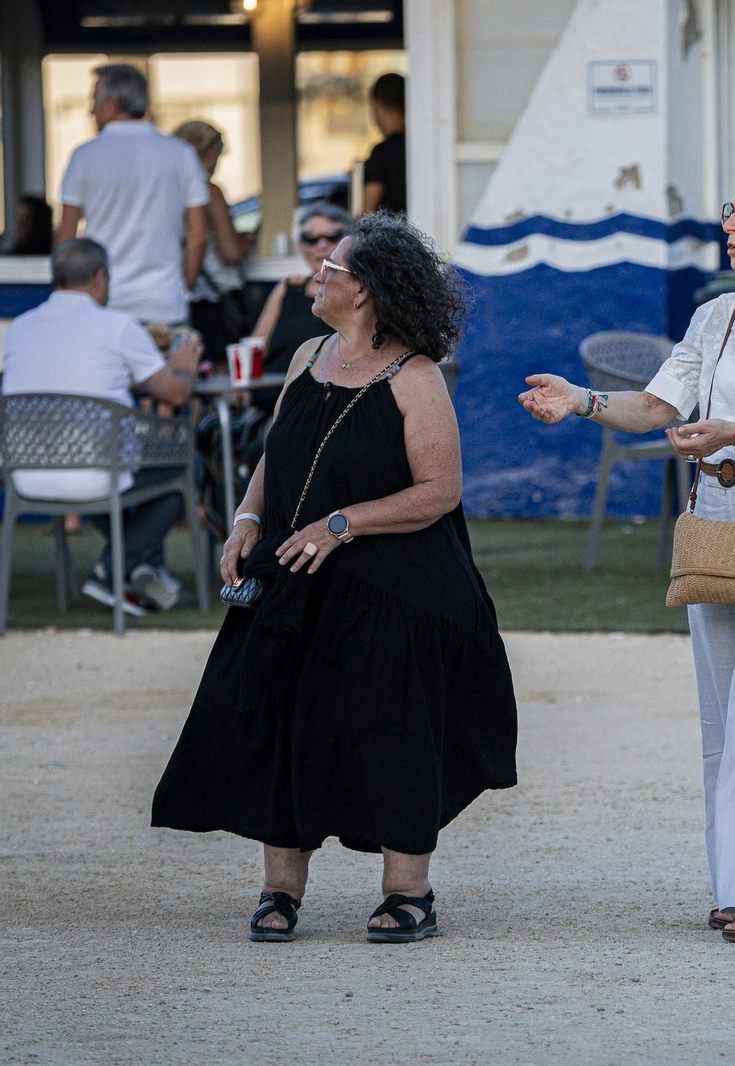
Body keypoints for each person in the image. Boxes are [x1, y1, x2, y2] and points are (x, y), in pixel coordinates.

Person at [520, 160, 735, 944]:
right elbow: (655, 405)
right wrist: (581, 401)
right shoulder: (717, 317)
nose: (730, 225)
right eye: (729, 210)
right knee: (722, 715)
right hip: (715, 510)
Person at [151, 212, 518, 944]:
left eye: (334, 269)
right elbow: (277, 458)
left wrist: (341, 524)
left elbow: (438, 492)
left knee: (392, 729)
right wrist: (249, 517)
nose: (318, 273)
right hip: (297, 575)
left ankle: (407, 892)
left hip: (399, 585)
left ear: (370, 290)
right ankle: (280, 890)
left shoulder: (414, 378)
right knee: (283, 720)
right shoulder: (307, 356)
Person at [1, 239, 202, 613]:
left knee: (114, 458)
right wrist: (184, 369)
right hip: (97, 473)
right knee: (188, 464)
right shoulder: (117, 326)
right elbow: (174, 394)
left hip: (24, 474)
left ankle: (141, 568)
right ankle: (116, 570)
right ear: (99, 279)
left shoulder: (22, 328)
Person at [55, 64, 209, 328]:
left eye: (94, 101)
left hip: (102, 305)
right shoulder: (180, 153)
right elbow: (197, 236)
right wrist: (182, 289)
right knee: (168, 371)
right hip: (164, 302)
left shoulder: (84, 156)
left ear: (112, 105)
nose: (90, 111)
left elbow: (66, 239)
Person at [248, 202, 350, 410]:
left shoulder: (356, 293)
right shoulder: (287, 288)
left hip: (323, 400)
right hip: (270, 396)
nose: (321, 245)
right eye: (311, 238)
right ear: (301, 246)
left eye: (332, 236)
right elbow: (255, 349)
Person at [174, 120, 254, 363]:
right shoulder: (208, 191)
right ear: (210, 153)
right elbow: (230, 252)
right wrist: (246, 242)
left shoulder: (168, 190)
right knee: (221, 374)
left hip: (179, 295)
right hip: (214, 298)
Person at [360, 73, 407, 216]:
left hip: (391, 236)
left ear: (376, 105)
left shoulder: (381, 154)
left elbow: (367, 213)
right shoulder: (421, 148)